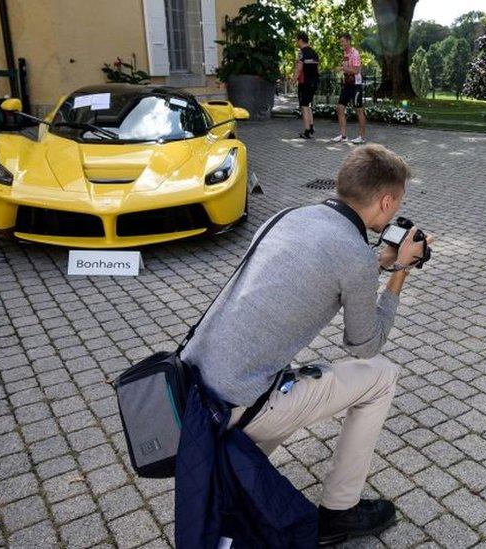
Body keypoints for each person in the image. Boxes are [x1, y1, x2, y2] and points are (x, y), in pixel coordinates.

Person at [180, 144, 430, 546]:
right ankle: (339, 513)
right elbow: (366, 346)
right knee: (381, 375)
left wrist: (377, 262)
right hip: (234, 407)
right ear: (386, 202)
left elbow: (329, 262)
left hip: (191, 389)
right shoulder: (354, 256)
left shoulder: (288, 216)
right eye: (398, 200)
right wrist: (400, 270)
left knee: (295, 373)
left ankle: (240, 471)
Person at [331, 33, 367, 144]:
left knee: (359, 110)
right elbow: (347, 69)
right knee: (340, 108)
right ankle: (343, 136)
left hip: (356, 85)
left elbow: (356, 71)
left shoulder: (354, 53)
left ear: (348, 41)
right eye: (340, 41)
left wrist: (342, 68)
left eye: (342, 41)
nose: (340, 43)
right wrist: (343, 70)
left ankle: (361, 137)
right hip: (347, 85)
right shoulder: (345, 53)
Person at [294, 31, 319, 139]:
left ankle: (307, 131)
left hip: (305, 82)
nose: (296, 42)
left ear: (300, 40)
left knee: (304, 106)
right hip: (314, 82)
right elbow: (317, 69)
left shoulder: (301, 53)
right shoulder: (314, 53)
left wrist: (294, 79)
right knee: (308, 104)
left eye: (296, 40)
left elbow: (299, 68)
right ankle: (311, 126)